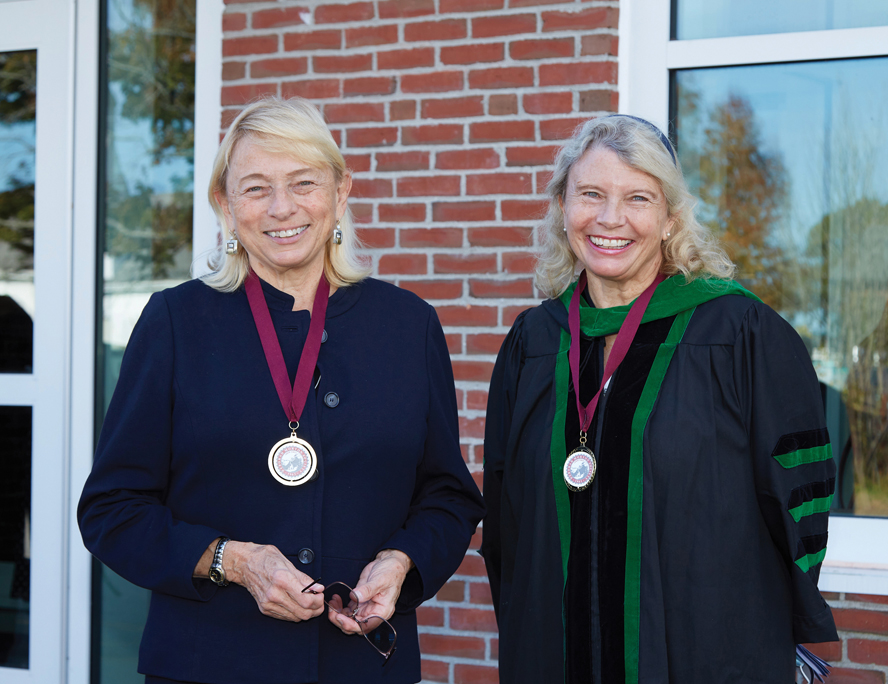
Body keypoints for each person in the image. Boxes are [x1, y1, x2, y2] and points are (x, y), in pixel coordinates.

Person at [79, 96, 485, 684]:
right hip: (206, 665)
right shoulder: (175, 321)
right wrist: (230, 561)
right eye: (255, 188)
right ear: (224, 202)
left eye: (303, 183)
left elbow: (448, 498)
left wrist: (402, 562)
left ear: (341, 191)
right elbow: (111, 510)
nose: (282, 208)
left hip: (363, 668)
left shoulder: (409, 325)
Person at [480, 114, 838, 684]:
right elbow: (506, 523)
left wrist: (761, 633)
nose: (610, 218)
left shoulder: (740, 334)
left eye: (638, 198)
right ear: (562, 209)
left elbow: (800, 503)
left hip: (704, 651)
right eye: (590, 194)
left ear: (671, 217)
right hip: (554, 652)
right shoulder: (533, 342)